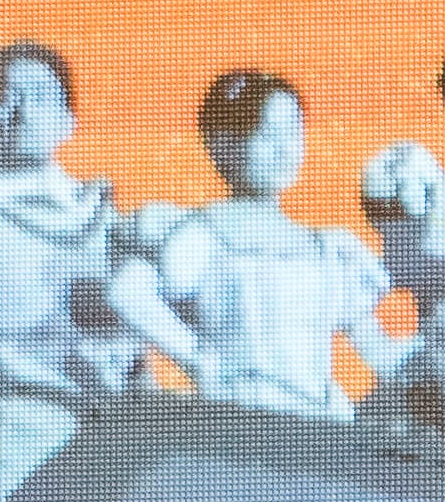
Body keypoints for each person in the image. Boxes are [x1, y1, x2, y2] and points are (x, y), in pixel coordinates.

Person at [0, 40, 145, 502]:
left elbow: (135, 338)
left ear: (69, 121)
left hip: (106, 437)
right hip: (15, 427)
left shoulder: (101, 215)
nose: (22, 111)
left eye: (41, 96)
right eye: (8, 96)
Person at [119, 70, 385, 419]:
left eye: (293, 133)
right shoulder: (205, 233)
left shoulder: (329, 247)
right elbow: (127, 291)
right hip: (242, 421)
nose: (284, 149)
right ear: (222, 144)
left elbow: (373, 345)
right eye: (267, 134)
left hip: (321, 423)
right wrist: (196, 356)